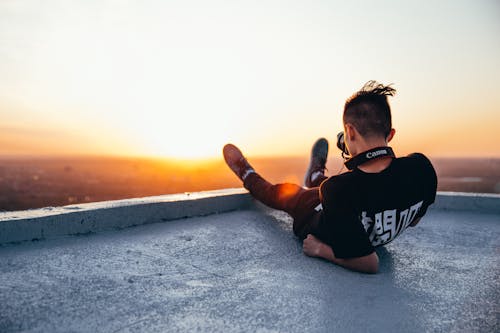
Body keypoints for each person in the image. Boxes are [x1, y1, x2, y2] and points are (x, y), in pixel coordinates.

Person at [222, 81, 437, 274]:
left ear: (349, 132)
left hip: (315, 216)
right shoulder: (422, 168)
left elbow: (370, 263)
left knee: (283, 193)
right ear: (390, 135)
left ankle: (247, 173)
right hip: (345, 207)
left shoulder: (340, 189)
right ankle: (316, 175)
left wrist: (320, 249)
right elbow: (414, 220)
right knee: (331, 189)